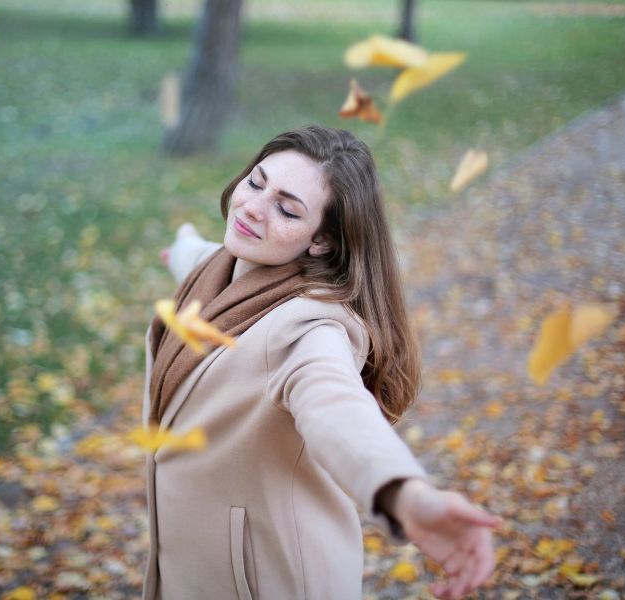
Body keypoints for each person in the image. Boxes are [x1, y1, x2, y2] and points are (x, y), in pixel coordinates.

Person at [144, 125, 501, 600]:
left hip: (271, 579)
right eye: (256, 182)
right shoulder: (218, 268)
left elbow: (336, 406)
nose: (253, 207)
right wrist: (183, 246)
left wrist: (406, 496)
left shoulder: (309, 328)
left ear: (322, 242)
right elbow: (200, 258)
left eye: (287, 209)